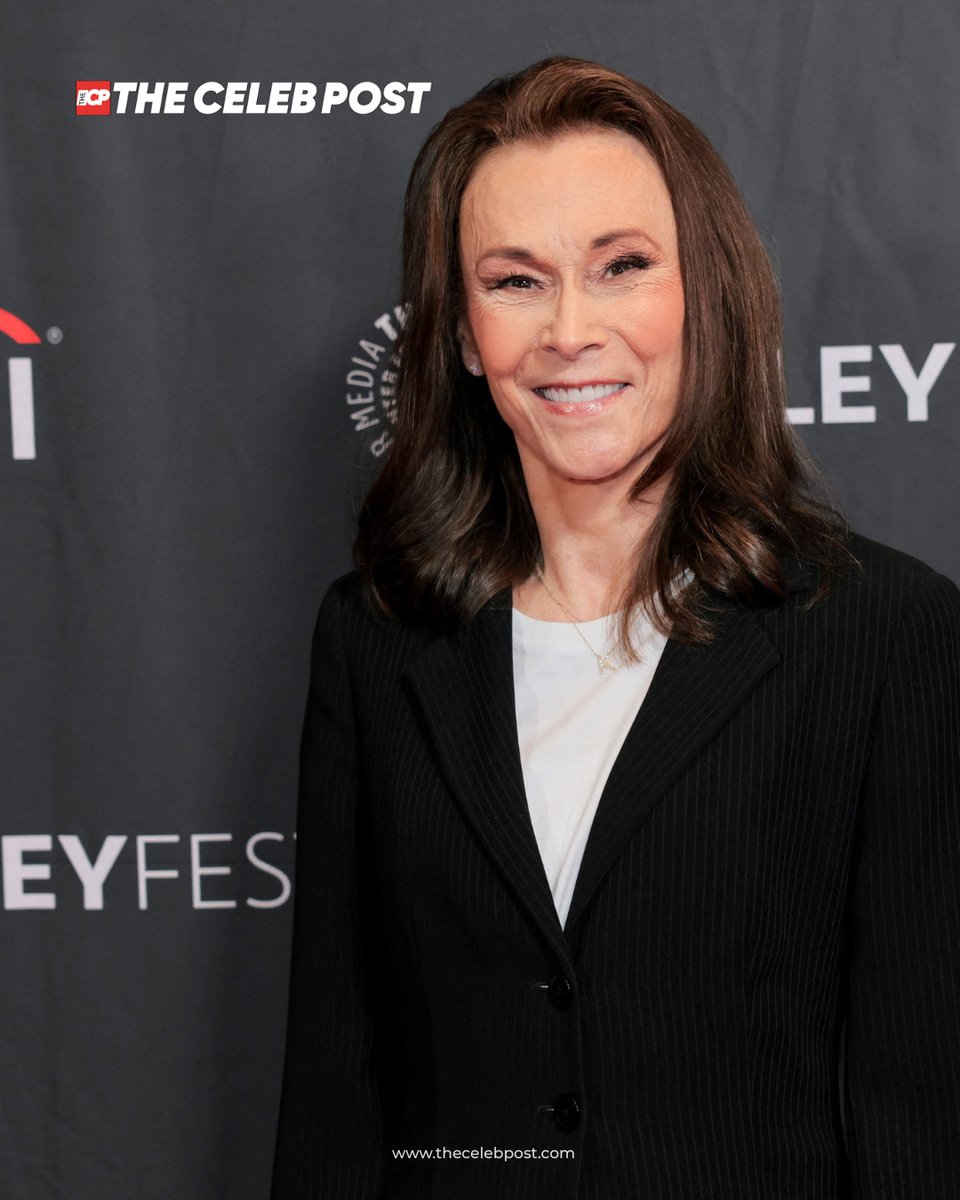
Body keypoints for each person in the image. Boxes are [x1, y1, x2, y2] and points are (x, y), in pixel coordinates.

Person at [271, 57, 960, 1199]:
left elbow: (925, 1105)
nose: (570, 331)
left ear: (708, 295)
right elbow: (341, 1088)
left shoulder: (886, 637)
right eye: (515, 281)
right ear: (457, 334)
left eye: (623, 267)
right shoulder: (378, 639)